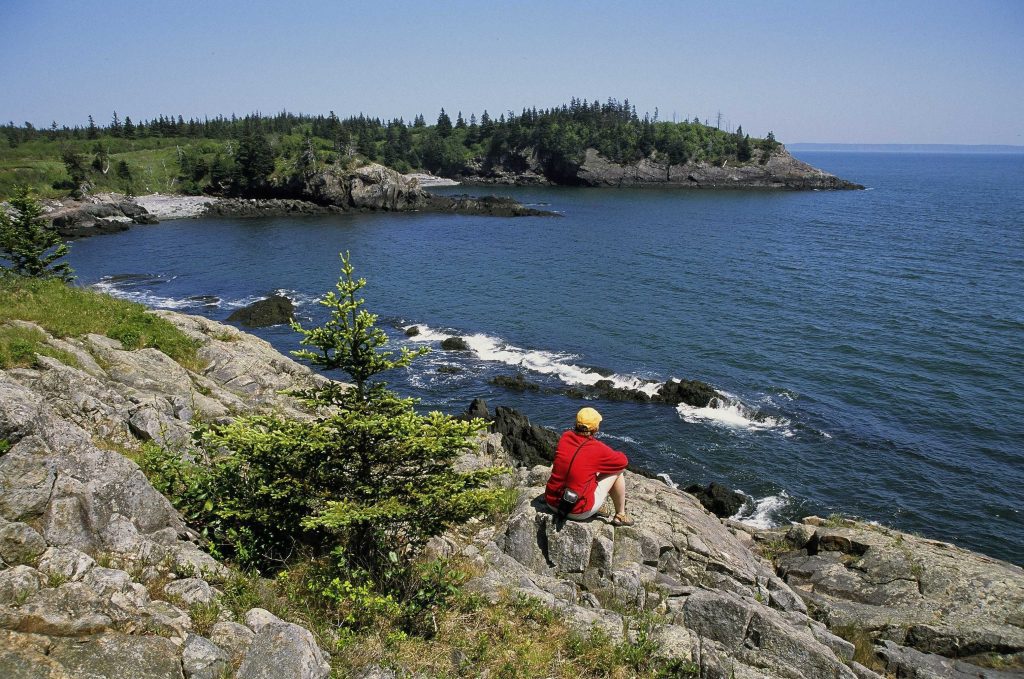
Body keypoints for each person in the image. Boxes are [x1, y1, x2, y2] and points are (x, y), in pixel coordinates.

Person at [544, 407, 634, 526]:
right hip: (576, 511)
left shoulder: (565, 437)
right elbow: (623, 461)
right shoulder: (596, 448)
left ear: (576, 423)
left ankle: (597, 507)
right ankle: (620, 515)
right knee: (618, 471)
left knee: (585, 472)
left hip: (551, 502)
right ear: (595, 428)